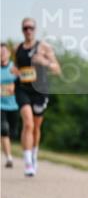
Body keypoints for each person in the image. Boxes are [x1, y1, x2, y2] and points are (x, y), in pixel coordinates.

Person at [15, 18, 60, 177]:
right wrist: (15, 71)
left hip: (40, 91)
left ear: (35, 29)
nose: (28, 30)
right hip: (22, 89)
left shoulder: (44, 47)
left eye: (31, 28)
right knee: (28, 124)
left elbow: (57, 69)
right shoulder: (17, 48)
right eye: (25, 28)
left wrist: (45, 62)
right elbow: (16, 67)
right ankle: (27, 163)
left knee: (35, 127)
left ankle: (34, 154)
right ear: (22, 30)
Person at [1, 43, 19, 168]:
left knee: (13, 133)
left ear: (9, 54)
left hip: (14, 104)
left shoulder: (14, 68)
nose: (1, 54)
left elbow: (24, 81)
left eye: (3, 52)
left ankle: (7, 148)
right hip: (0, 105)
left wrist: (15, 86)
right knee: (4, 130)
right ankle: (9, 158)